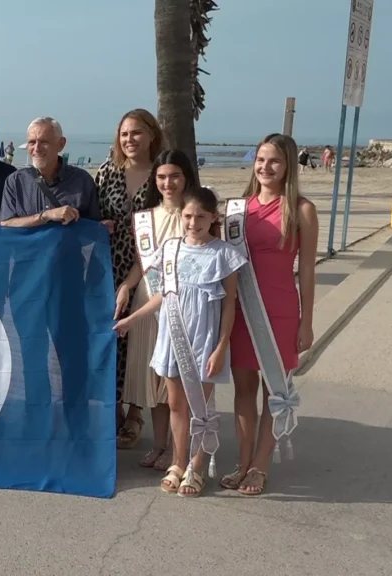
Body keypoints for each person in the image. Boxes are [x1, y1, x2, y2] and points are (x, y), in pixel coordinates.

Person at [114, 185, 247, 497]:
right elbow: (163, 294)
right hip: (173, 337)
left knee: (200, 406)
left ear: (213, 217)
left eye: (200, 216)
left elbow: (229, 305)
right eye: (188, 216)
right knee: (175, 403)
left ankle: (197, 467)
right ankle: (177, 462)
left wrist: (221, 346)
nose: (193, 222)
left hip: (205, 340)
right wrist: (132, 319)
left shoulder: (225, 254)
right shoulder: (171, 249)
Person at [220, 133, 318, 497]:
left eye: (274, 161)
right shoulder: (237, 209)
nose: (265, 167)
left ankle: (260, 466)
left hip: (279, 311)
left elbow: (307, 270)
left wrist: (307, 322)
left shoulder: (301, 210)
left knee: (274, 391)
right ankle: (243, 462)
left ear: (289, 165)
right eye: (260, 160)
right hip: (241, 310)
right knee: (243, 391)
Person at [114, 149, 193, 471]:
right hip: (147, 303)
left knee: (178, 384)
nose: (167, 183)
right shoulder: (146, 218)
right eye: (161, 177)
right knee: (156, 381)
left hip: (183, 306)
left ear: (186, 177)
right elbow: (142, 264)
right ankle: (160, 445)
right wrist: (126, 285)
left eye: (174, 176)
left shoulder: (194, 214)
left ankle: (180, 451)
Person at [95, 108, 166, 441]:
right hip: (108, 262)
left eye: (136, 132)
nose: (129, 139)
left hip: (149, 265)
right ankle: (115, 407)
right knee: (113, 333)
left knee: (141, 338)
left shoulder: (162, 175)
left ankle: (137, 410)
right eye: (124, 134)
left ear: (152, 134)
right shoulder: (107, 171)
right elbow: (91, 212)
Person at [0, 117, 101, 227]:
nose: (37, 148)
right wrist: (45, 216)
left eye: (44, 142)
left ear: (61, 144)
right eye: (32, 142)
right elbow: (5, 223)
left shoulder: (82, 181)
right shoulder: (16, 181)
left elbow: (94, 228)